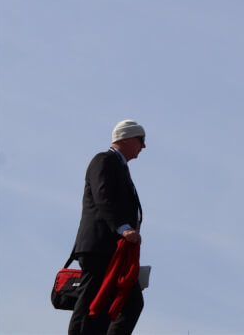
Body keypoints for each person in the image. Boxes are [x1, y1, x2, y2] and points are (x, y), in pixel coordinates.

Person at [69, 120, 146, 335]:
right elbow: (103, 196)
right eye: (141, 140)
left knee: (128, 302)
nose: (144, 147)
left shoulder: (120, 168)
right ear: (128, 138)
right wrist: (123, 228)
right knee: (90, 301)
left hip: (114, 251)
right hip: (99, 246)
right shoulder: (103, 160)